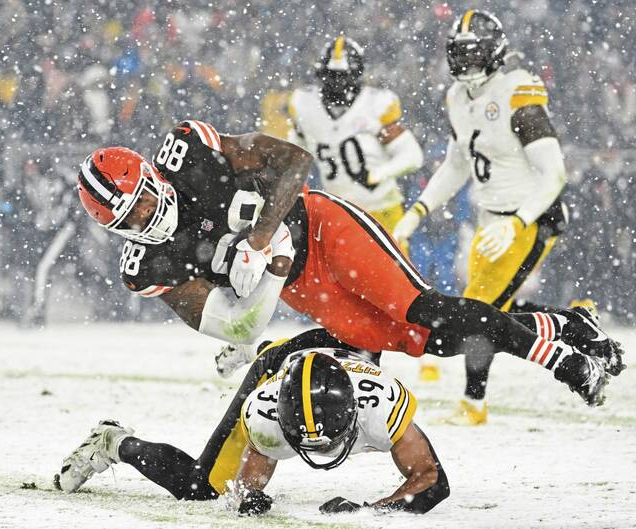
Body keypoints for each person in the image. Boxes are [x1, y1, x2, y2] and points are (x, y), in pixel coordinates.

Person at [76, 119, 622, 407]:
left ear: (153, 174)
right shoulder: (143, 268)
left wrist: (263, 236)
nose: (144, 217)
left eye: (145, 199)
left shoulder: (188, 149)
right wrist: (262, 283)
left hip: (322, 227)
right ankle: (568, 325)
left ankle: (565, 363)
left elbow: (295, 161)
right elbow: (229, 323)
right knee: (429, 341)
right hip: (295, 283)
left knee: (423, 309)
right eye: (128, 217)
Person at [392, 10, 622, 424]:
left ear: (494, 51)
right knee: (499, 315)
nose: (466, 63)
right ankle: (576, 324)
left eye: (473, 53)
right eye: (458, 54)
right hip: (490, 217)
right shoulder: (457, 99)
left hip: (530, 217)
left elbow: (554, 174)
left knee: (480, 315)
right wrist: (419, 211)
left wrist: (517, 221)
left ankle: (474, 405)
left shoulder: (517, 91)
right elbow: (456, 165)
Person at [56, 329, 449, 516]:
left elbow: (432, 481)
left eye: (328, 442)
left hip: (350, 342)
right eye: (305, 442)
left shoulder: (381, 404)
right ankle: (111, 441)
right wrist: (248, 497)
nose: (320, 451)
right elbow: (242, 491)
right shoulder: (266, 414)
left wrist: (370, 510)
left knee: (383, 325)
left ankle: (264, 344)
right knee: (203, 488)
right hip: (280, 371)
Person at [287, 36, 424, 237]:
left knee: (388, 268)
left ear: (357, 75)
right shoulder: (306, 107)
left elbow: (413, 156)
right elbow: (293, 154)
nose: (337, 84)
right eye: (332, 76)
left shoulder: (375, 105)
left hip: (381, 209)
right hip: (336, 210)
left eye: (343, 77)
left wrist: (381, 173)